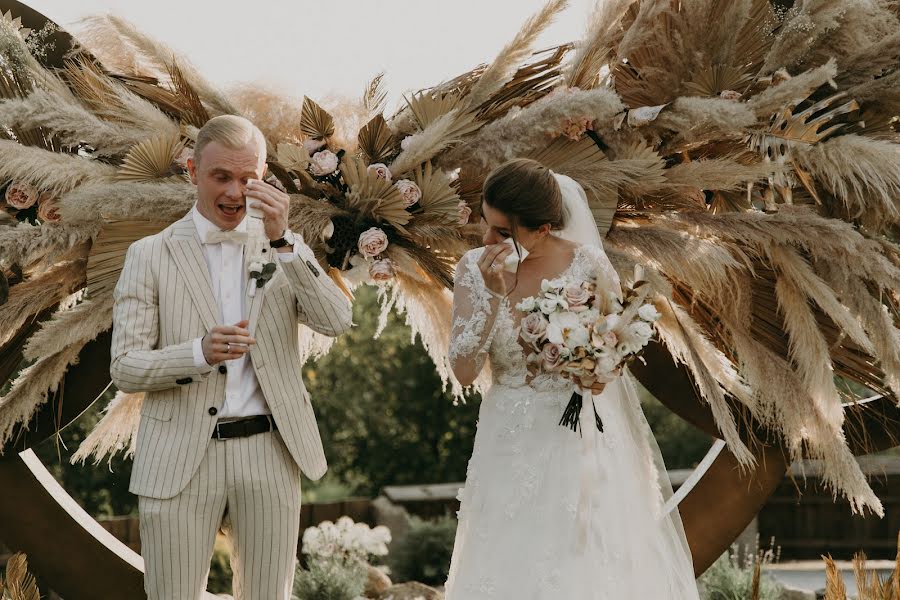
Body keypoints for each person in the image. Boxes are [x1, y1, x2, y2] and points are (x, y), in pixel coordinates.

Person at [109, 115, 353, 599]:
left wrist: (285, 241)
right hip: (179, 458)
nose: (236, 192)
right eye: (221, 176)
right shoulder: (149, 255)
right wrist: (196, 353)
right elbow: (126, 367)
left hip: (270, 452)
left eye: (249, 179)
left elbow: (336, 321)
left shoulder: (284, 248)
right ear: (192, 170)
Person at [445, 158, 701, 598]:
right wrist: (489, 294)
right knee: (505, 557)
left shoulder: (588, 265)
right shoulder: (473, 268)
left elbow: (613, 345)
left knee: (580, 558)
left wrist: (598, 371)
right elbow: (465, 372)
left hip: (578, 437)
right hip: (508, 436)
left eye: (503, 232)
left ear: (542, 228)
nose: (487, 240)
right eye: (485, 225)